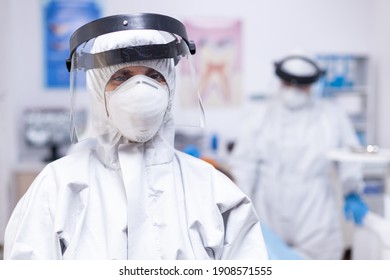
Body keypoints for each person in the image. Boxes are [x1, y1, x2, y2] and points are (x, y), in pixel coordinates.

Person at [4, 13, 268, 260]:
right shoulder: (58, 187)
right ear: (98, 90)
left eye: (154, 75)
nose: (141, 90)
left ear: (171, 86)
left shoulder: (215, 191)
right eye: (122, 77)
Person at [230, 54, 364, 259]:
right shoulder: (259, 115)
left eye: (301, 86)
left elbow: (350, 157)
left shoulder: (332, 116)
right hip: (268, 207)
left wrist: (351, 191)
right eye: (288, 83)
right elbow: (244, 166)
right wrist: (239, 211)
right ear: (279, 82)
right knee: (266, 261)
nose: (294, 90)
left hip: (315, 208)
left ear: (312, 85)